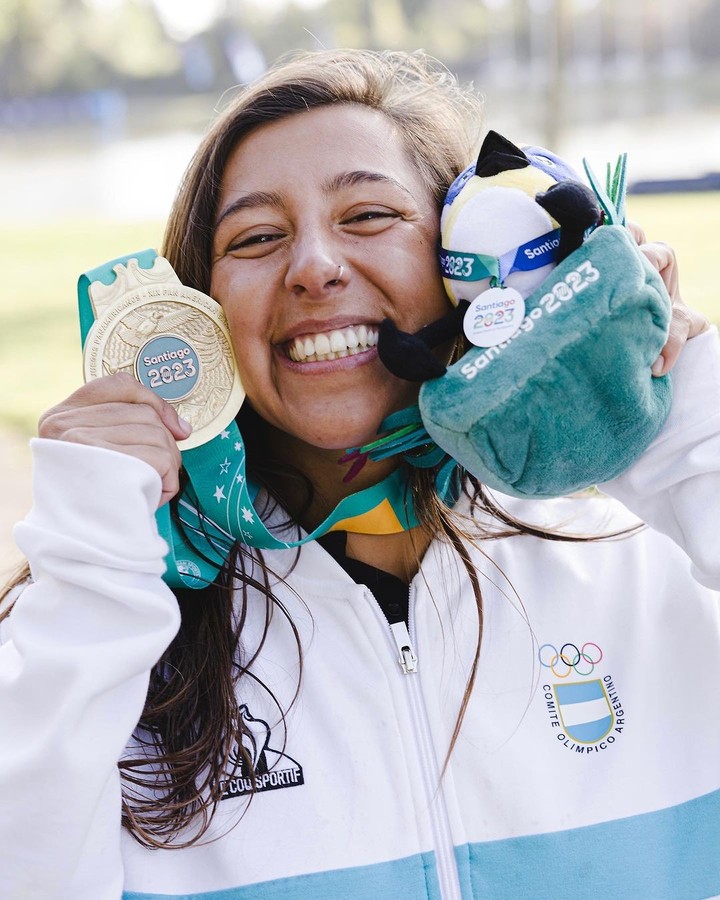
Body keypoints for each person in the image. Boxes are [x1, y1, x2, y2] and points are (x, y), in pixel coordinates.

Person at [1, 47, 718, 900]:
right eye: (258, 237)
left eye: (370, 215)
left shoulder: (646, 568)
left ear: (462, 260)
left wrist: (678, 422)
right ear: (200, 310)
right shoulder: (113, 637)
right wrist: (88, 573)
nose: (313, 266)